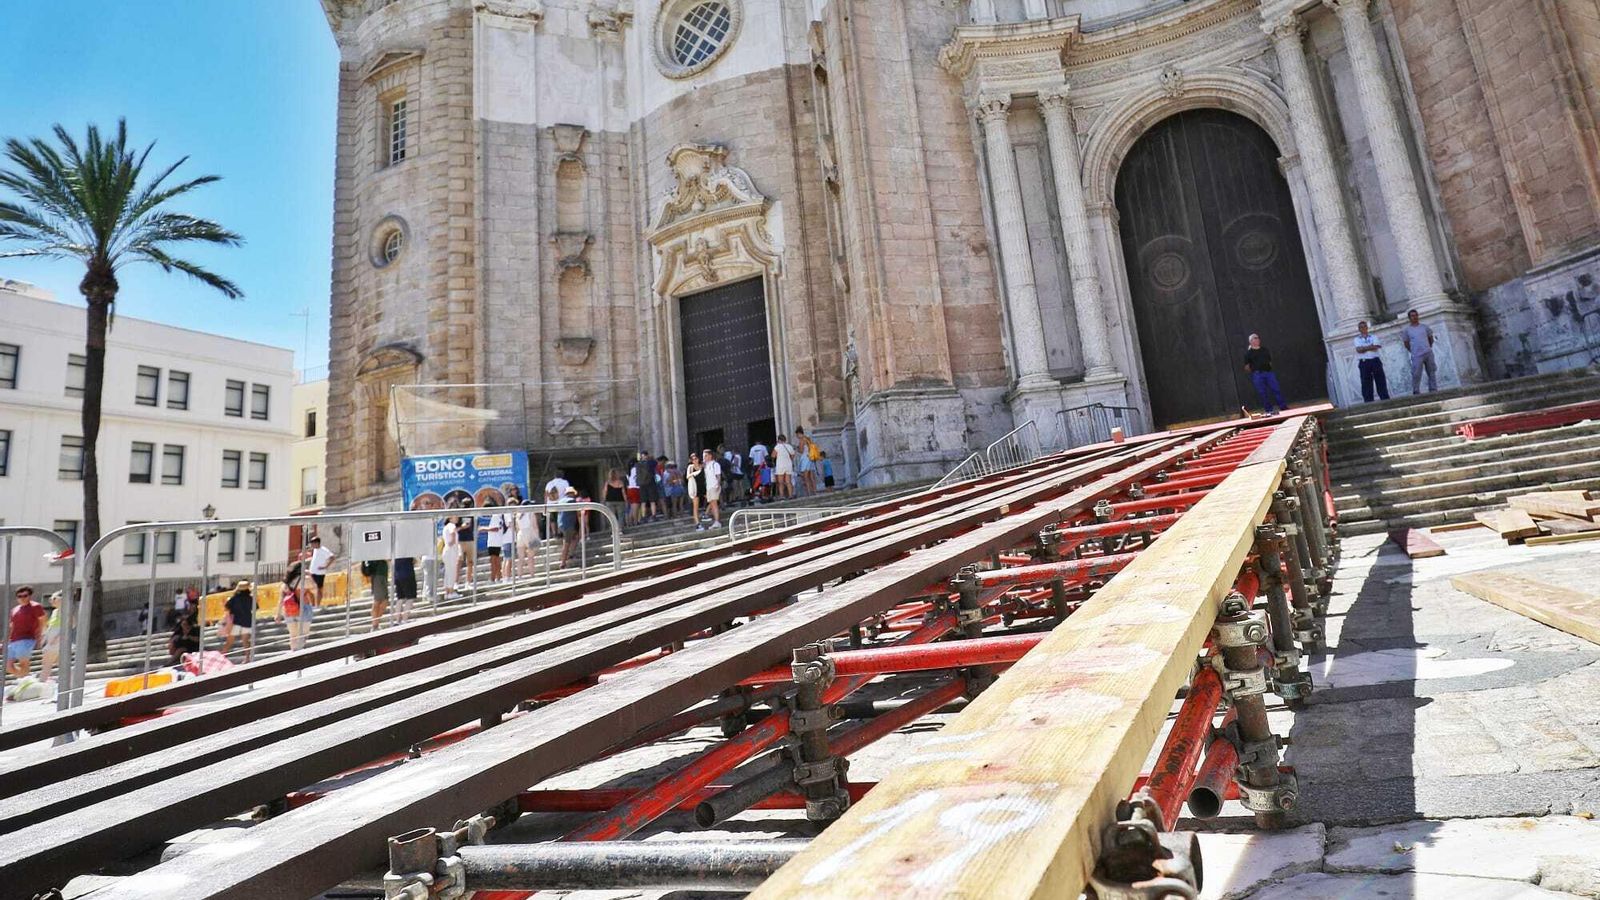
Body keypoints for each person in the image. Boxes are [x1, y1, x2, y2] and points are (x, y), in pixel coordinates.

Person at [1242, 333, 1287, 415]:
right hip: (1258, 374)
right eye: (1255, 338)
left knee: (1276, 389)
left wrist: (1268, 368)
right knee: (1263, 392)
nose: (1257, 339)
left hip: (1268, 373)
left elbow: (1270, 361)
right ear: (1251, 341)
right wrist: (1255, 370)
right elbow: (1247, 366)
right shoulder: (1248, 353)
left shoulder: (1264, 350)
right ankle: (1269, 409)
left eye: (1258, 338)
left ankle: (1283, 406)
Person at [7, 586, 45, 679]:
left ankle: (25, 681)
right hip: (13, 640)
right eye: (20, 596)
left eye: (25, 595)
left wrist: (40, 636)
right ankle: (26, 679)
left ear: (29, 596)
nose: (22, 598)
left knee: (23, 664)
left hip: (26, 639)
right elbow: (12, 625)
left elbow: (42, 621)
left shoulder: (35, 606)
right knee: (8, 667)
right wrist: (7, 639)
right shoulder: (14, 609)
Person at [278, 562, 314, 652]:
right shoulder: (305, 580)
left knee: (293, 635)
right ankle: (299, 653)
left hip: (289, 611)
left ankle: (293, 652)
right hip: (303, 608)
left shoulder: (285, 584)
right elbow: (315, 589)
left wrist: (278, 614)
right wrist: (309, 574)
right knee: (303, 634)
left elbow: (281, 600)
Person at [1401, 309, 1438, 394]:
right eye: (1412, 316)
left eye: (1416, 315)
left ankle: (1433, 388)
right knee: (1416, 373)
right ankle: (1416, 390)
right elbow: (1406, 343)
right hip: (1417, 355)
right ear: (1409, 318)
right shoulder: (1407, 330)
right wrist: (1412, 350)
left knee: (1431, 371)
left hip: (1428, 352)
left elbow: (1430, 338)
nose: (1414, 317)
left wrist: (1428, 346)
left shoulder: (1424, 327)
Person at [1353, 320, 1390, 402]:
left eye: (1364, 326)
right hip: (1364, 362)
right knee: (1366, 382)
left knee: (1380, 380)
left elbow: (1376, 346)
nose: (1363, 328)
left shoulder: (1374, 337)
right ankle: (1368, 401)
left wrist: (1364, 348)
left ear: (1367, 327)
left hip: (1375, 360)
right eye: (1361, 327)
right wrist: (1370, 347)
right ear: (1359, 329)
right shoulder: (1356, 339)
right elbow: (1359, 350)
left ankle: (1385, 399)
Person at [220, 580, 255, 662]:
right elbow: (255, 608)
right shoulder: (250, 598)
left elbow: (226, 607)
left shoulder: (234, 598)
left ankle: (222, 658)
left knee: (229, 641)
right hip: (247, 621)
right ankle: (247, 658)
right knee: (245, 641)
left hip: (235, 621)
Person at [36, 591, 64, 684]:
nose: (52, 601)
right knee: (62, 665)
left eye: (54, 598)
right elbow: (49, 627)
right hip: (52, 642)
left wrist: (58, 637)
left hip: (56, 643)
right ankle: (71, 682)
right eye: (51, 599)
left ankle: (41, 684)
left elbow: (70, 625)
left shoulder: (65, 611)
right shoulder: (55, 611)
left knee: (46, 664)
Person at [306, 536, 335, 605]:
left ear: (317, 543)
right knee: (308, 589)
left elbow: (332, 557)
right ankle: (312, 604)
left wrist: (325, 566)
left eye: (312, 543)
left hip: (319, 573)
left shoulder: (324, 550)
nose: (311, 545)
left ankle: (317, 605)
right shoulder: (315, 550)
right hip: (312, 572)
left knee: (319, 589)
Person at [558, 486, 582, 568]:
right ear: (572, 493)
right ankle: (563, 562)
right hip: (569, 525)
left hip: (561, 524)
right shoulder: (572, 501)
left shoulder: (561, 501)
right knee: (567, 543)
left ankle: (571, 554)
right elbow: (578, 513)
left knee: (575, 537)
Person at [362, 559, 390, 628]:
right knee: (379, 601)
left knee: (382, 601)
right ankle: (375, 624)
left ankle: (375, 623)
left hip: (381, 575)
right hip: (378, 575)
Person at [701, 449, 724, 530]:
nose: (704, 457)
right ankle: (715, 520)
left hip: (714, 486)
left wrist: (717, 484)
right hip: (709, 487)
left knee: (714, 504)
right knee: (712, 504)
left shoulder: (715, 464)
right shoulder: (706, 465)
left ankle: (717, 521)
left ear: (710, 456)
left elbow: (718, 476)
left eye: (706, 456)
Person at [440, 518, 462, 598]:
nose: (457, 518)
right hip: (451, 550)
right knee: (452, 571)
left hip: (447, 550)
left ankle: (447, 592)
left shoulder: (447, 526)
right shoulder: (451, 525)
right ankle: (451, 591)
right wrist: (453, 542)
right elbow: (452, 533)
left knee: (448, 572)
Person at [392, 557, 418, 624]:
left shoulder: (396, 550)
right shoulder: (407, 551)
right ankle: (404, 619)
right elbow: (414, 561)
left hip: (397, 574)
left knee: (400, 598)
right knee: (410, 597)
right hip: (407, 574)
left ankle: (397, 620)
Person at [795, 427, 820, 496]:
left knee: (806, 477)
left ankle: (809, 493)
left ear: (799, 433)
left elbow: (801, 451)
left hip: (805, 458)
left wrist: (797, 449)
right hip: (811, 458)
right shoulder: (808, 439)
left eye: (797, 435)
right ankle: (815, 492)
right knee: (812, 476)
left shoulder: (802, 440)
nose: (797, 437)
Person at [773, 434, 797, 499]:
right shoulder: (789, 446)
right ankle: (791, 495)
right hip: (788, 465)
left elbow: (773, 455)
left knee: (780, 482)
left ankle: (782, 496)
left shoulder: (777, 447)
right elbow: (792, 456)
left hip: (780, 465)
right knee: (788, 481)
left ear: (779, 440)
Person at [686, 455, 706, 526]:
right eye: (693, 459)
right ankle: (697, 523)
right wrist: (694, 473)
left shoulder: (703, 466)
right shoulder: (690, 467)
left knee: (711, 500)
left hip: (703, 487)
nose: (695, 460)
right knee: (695, 506)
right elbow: (687, 476)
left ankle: (706, 513)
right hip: (695, 487)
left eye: (696, 458)